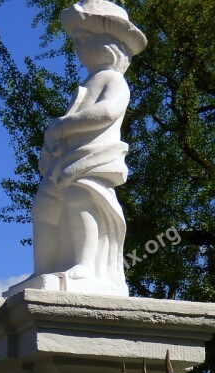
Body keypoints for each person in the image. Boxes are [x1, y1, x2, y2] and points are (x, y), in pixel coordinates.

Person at [31, 0, 146, 295]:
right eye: (76, 42)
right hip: (66, 159)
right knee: (44, 209)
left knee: (78, 201)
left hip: (94, 158)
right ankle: (43, 270)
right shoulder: (89, 81)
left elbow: (107, 112)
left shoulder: (112, 79)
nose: (77, 48)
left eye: (83, 41)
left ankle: (83, 266)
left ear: (108, 46)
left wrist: (63, 125)